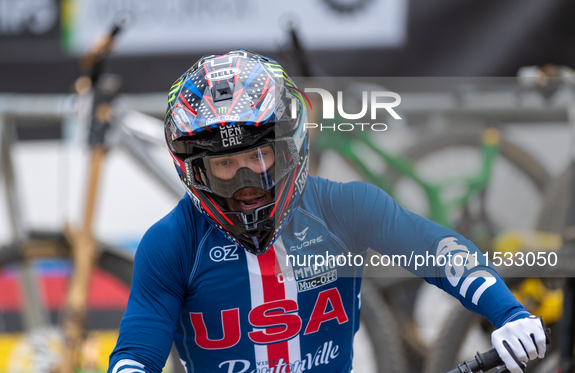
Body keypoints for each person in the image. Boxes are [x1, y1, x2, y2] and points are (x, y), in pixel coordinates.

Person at [108, 49, 546, 373]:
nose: (245, 184)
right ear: (194, 170)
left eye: (257, 157)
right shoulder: (170, 243)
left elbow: (441, 251)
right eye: (224, 165)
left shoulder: (346, 206)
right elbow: (136, 354)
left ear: (288, 148)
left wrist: (508, 313)